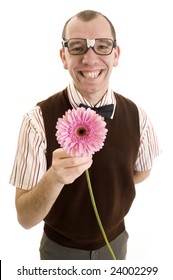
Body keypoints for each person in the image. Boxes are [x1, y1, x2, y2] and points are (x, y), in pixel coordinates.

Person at [10, 10, 160, 260]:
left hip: (117, 244)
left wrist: (110, 182)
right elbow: (25, 219)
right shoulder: (35, 121)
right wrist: (54, 178)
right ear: (64, 57)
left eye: (102, 46)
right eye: (77, 47)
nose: (90, 60)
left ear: (116, 55)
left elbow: (142, 171)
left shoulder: (138, 116)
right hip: (58, 252)